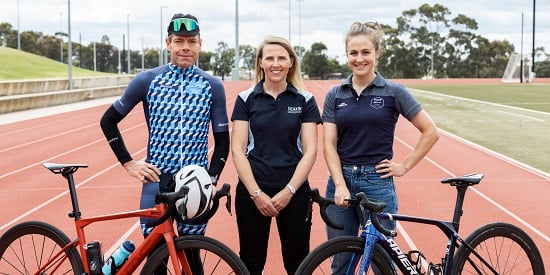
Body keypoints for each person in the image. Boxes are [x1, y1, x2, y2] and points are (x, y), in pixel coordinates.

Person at [99, 12, 229, 273]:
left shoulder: (212, 85)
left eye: (191, 42)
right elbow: (108, 121)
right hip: (156, 183)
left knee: (192, 255)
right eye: (179, 41)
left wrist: (212, 179)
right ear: (167, 43)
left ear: (200, 44)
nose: (185, 48)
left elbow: (223, 140)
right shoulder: (148, 80)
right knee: (156, 259)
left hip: (195, 183)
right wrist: (128, 163)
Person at [322, 21, 440, 272]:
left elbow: (430, 132)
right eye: (353, 53)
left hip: (377, 183)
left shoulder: (394, 92)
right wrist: (340, 184)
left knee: (383, 264)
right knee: (341, 262)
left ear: (377, 53)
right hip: (340, 181)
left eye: (365, 52)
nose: (359, 59)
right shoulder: (335, 94)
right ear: (347, 55)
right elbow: (329, 145)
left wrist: (404, 166)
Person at [231, 36, 322, 275]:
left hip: (294, 192)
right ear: (260, 63)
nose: (275, 63)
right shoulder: (245, 99)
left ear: (291, 62)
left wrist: (289, 191)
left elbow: (310, 151)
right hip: (252, 192)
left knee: (298, 264)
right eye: (269, 58)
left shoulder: (305, 100)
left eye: (282, 58)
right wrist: (256, 194)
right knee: (250, 263)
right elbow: (238, 150)